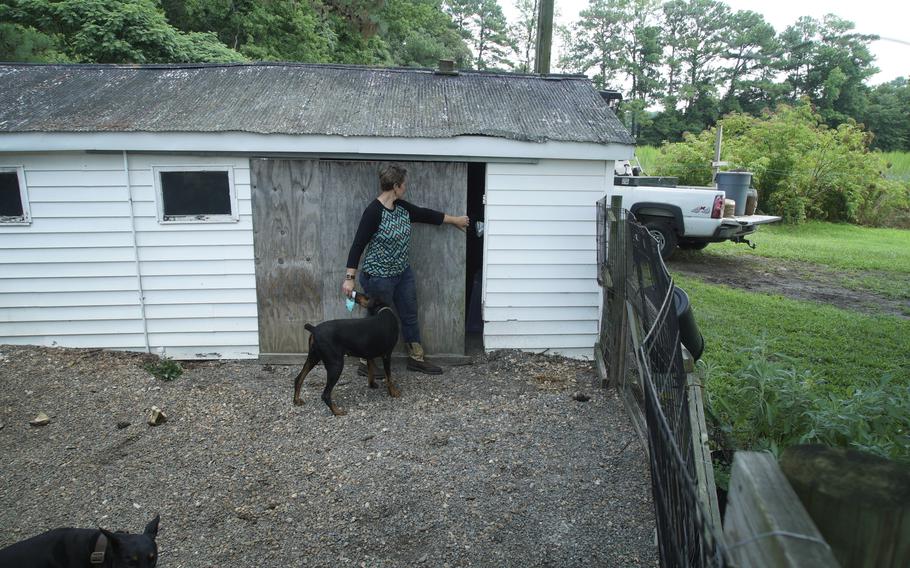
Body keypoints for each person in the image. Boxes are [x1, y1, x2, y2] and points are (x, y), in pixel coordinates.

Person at [342, 164, 469, 374]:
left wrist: (455, 220)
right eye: (404, 185)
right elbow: (357, 245)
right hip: (378, 277)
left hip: (402, 274)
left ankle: (416, 358)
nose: (405, 188)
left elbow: (424, 214)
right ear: (395, 186)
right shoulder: (373, 212)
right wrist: (349, 278)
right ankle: (367, 363)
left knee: (409, 315)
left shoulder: (401, 207)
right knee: (377, 318)